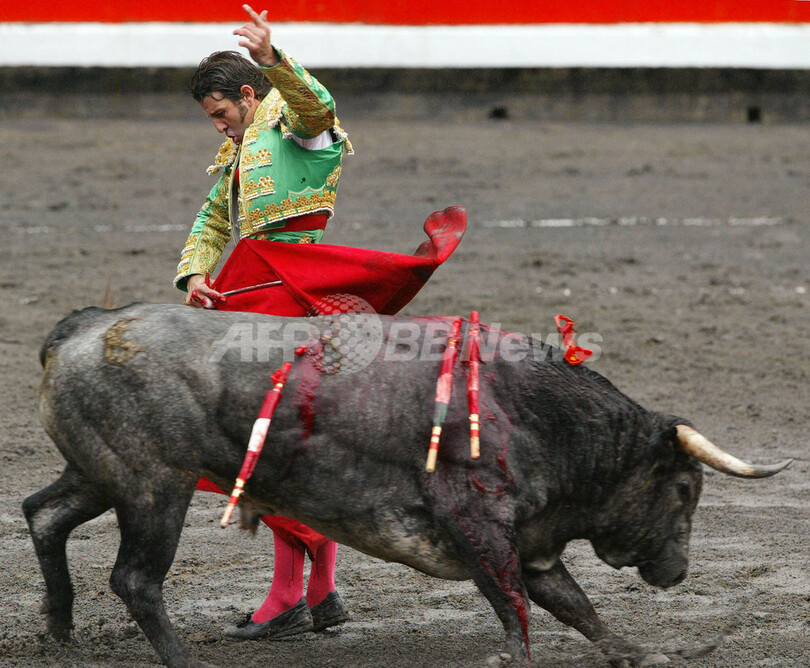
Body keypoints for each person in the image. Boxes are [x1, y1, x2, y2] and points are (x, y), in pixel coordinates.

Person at [175, 4, 352, 640]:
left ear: (249, 96)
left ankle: (286, 597)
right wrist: (196, 274)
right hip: (260, 290)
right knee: (286, 443)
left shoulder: (296, 127)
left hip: (295, 295)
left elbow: (316, 106)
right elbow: (214, 218)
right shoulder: (242, 147)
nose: (218, 125)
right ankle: (319, 590)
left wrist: (274, 59)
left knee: (247, 439)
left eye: (221, 112)